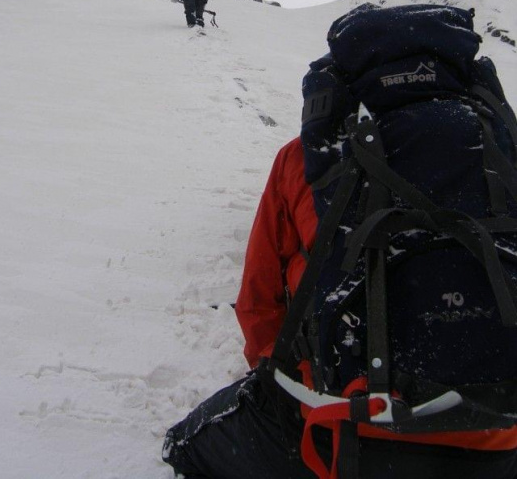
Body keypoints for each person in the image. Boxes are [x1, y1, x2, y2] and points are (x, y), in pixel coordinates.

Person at [163, 136, 517, 478]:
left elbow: (258, 305)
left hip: (336, 438)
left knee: (180, 446)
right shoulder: (502, 147)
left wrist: (280, 380)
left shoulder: (307, 156)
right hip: (496, 442)